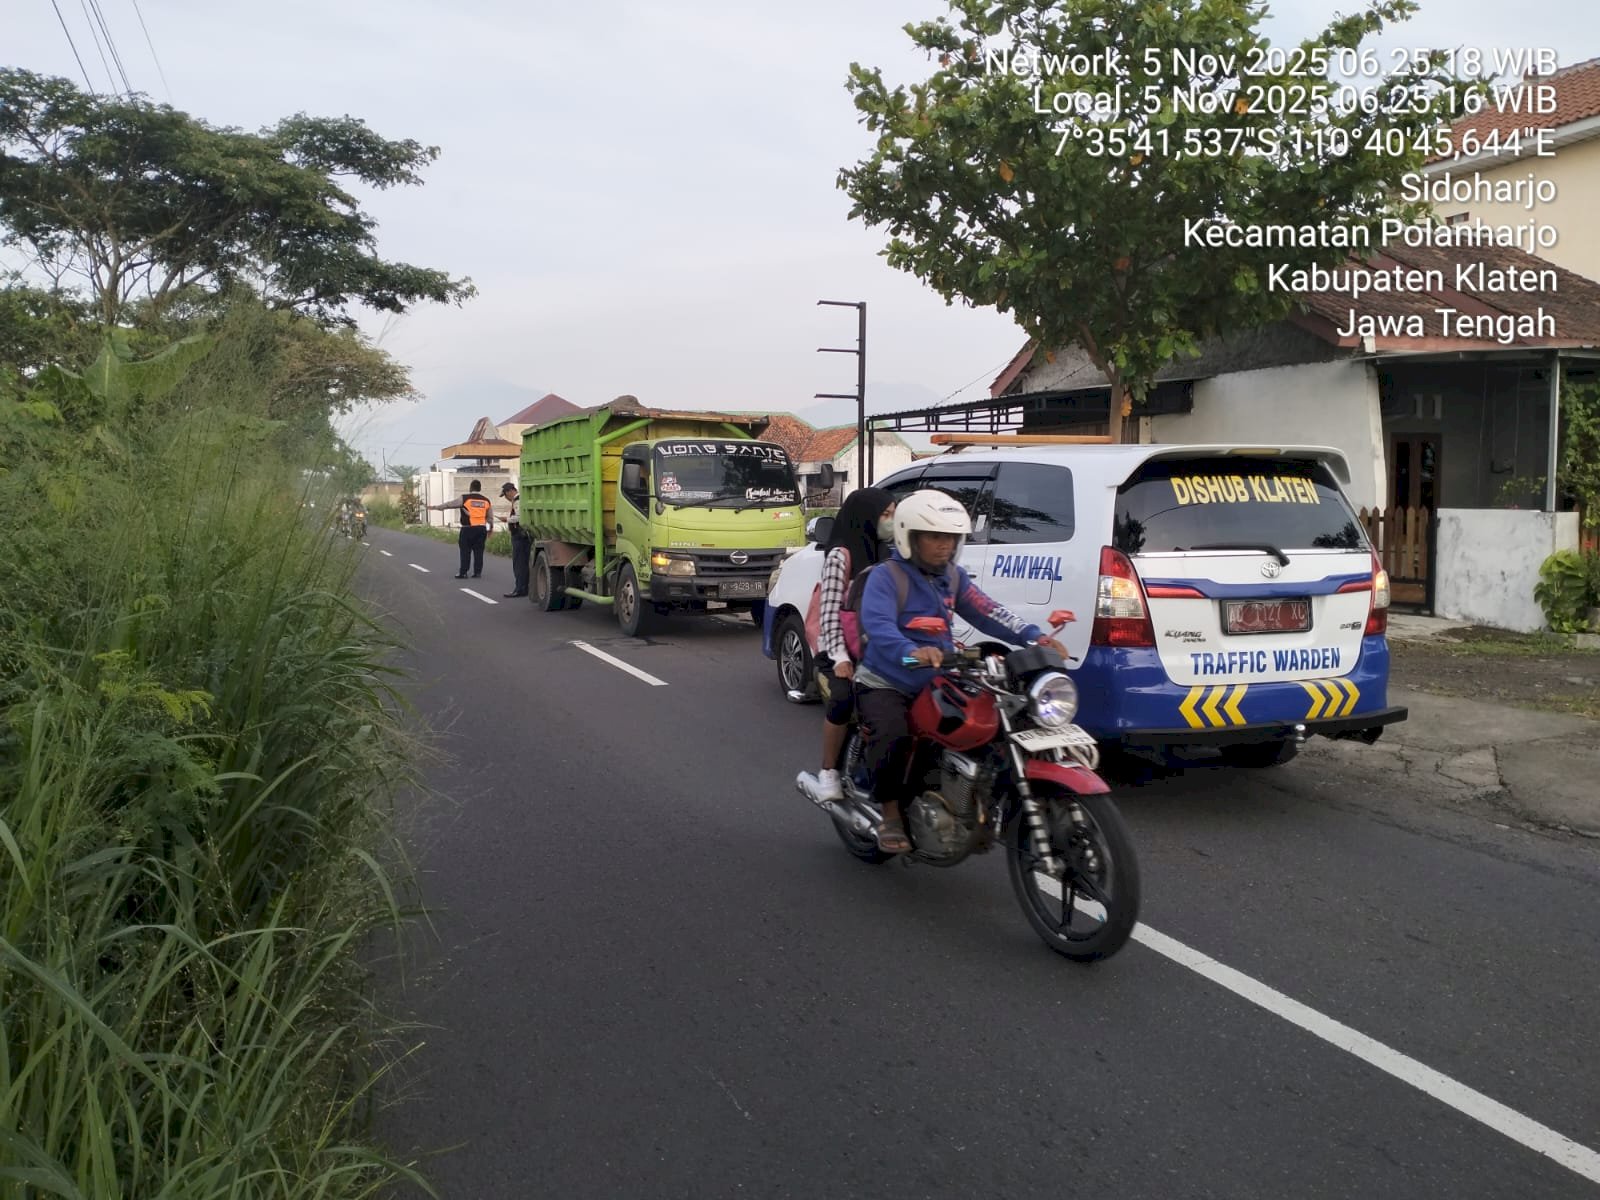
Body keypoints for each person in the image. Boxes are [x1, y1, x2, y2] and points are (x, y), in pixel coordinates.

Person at [854, 489, 1065, 854]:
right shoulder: (886, 577)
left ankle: (971, 801)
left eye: (951, 537)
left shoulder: (952, 577)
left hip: (940, 675)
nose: (945, 546)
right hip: (888, 678)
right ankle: (889, 811)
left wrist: (1036, 637)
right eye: (935, 536)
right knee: (893, 735)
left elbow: (988, 611)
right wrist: (912, 651)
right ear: (909, 537)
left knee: (990, 724)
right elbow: (879, 627)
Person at [796, 487, 895, 805]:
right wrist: (840, 658)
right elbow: (829, 612)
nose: (891, 521)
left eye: (894, 515)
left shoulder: (887, 552)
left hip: (872, 644)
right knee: (843, 697)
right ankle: (828, 774)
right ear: (867, 517)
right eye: (886, 515)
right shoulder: (841, 555)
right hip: (836, 646)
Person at [427, 479, 495, 578]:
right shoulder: (486, 500)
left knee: (465, 551)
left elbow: (450, 504)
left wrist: (436, 507)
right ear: (480, 488)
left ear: (470, 488)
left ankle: (463, 572)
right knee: (479, 551)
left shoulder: (465, 498)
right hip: (481, 529)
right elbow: (490, 517)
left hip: (468, 529)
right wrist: (490, 529)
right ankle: (477, 572)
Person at [502, 481, 530, 597]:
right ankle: (523, 588)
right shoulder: (521, 498)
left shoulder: (517, 500)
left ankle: (520, 589)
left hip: (519, 535)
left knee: (519, 564)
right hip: (524, 535)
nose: (506, 498)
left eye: (505, 494)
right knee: (523, 563)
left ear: (510, 491)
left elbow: (519, 517)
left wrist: (507, 519)